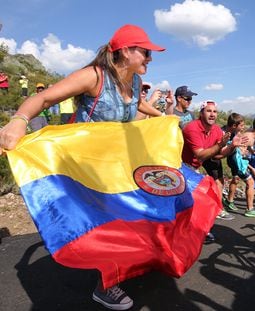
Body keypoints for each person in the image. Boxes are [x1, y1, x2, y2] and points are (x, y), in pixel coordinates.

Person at [0, 24, 167, 310]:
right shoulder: (94, 76)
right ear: (125, 52)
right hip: (85, 165)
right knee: (113, 223)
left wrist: (163, 119)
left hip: (117, 162)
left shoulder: (135, 82)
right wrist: (19, 119)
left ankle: (123, 265)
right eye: (146, 52)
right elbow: (44, 98)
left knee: (133, 216)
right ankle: (106, 286)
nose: (150, 58)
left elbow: (137, 106)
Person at [182, 100, 247, 222]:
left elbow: (220, 152)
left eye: (215, 111)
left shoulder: (216, 130)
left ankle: (217, 209)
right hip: (182, 166)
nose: (212, 114)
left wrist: (232, 146)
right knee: (188, 201)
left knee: (217, 182)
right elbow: (200, 155)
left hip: (197, 164)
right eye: (208, 111)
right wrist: (220, 145)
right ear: (201, 113)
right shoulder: (192, 128)